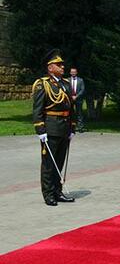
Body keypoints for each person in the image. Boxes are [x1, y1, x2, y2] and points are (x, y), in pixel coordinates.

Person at [32, 49, 75, 206]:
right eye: (58, 64)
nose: (62, 67)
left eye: (62, 64)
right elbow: (37, 109)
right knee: (49, 164)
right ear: (50, 68)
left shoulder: (66, 84)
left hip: (64, 128)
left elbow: (71, 107)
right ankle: (48, 194)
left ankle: (58, 191)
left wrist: (72, 127)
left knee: (59, 162)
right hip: (50, 128)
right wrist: (40, 130)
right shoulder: (43, 84)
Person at [67, 66, 85, 132]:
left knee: (79, 113)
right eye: (72, 72)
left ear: (76, 72)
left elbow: (82, 90)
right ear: (70, 73)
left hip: (78, 99)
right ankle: (70, 127)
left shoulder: (80, 80)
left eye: (74, 72)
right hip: (70, 99)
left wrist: (76, 96)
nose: (73, 73)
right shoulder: (67, 80)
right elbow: (66, 89)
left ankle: (80, 127)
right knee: (70, 113)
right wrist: (71, 96)